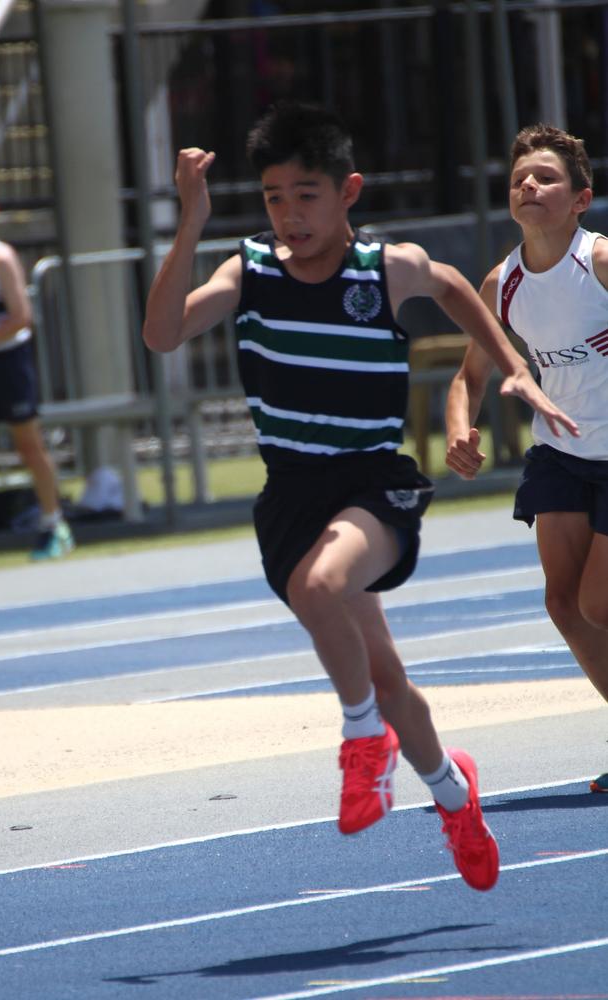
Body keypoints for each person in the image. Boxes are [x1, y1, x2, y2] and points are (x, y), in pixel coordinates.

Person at [143, 102, 573, 891]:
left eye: (306, 194)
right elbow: (163, 333)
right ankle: (453, 794)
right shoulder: (249, 272)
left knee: (321, 585)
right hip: (291, 497)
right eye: (274, 196)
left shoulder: (386, 269)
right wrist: (190, 223)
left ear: (349, 192)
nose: (289, 213)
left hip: (374, 483)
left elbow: (453, 288)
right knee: (385, 675)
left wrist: (508, 361)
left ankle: (360, 743)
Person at [445, 123, 608, 794]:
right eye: (518, 180)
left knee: (599, 603)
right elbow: (469, 378)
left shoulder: (598, 262)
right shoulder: (502, 284)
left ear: (580, 199)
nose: (528, 187)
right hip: (562, 455)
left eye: (544, 178)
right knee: (564, 604)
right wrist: (462, 429)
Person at [0, 174, 73, 561]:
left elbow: (21, 318)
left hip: (7, 360)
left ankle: (53, 522)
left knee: (29, 445)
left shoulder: (0, 259)